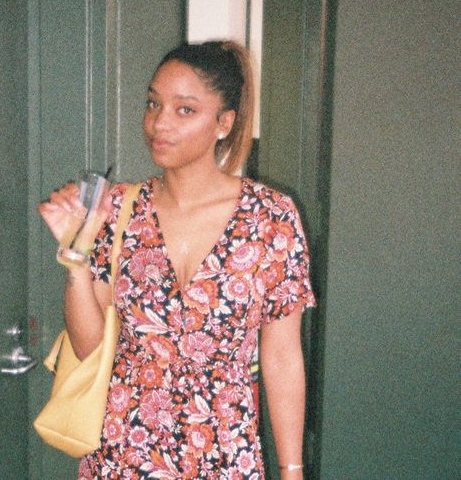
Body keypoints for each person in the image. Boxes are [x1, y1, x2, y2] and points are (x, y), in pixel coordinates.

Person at [38, 41, 316, 479]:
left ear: (224, 123)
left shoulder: (271, 217)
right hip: (124, 451)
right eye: (153, 104)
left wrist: (292, 470)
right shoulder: (120, 209)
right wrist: (76, 255)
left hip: (225, 453)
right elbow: (89, 347)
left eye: (184, 109)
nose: (159, 122)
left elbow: (282, 357)